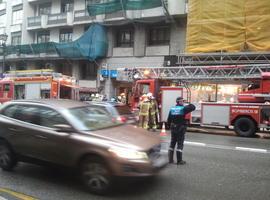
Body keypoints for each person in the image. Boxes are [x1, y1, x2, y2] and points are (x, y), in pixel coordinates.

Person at [167, 97, 196, 165]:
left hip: (173, 127)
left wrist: (170, 127)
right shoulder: (183, 109)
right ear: (179, 102)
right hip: (180, 128)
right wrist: (188, 103)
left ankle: (170, 160)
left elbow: (168, 120)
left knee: (172, 143)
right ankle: (179, 161)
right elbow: (193, 107)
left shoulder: (172, 109)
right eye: (182, 101)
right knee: (180, 143)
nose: (183, 102)